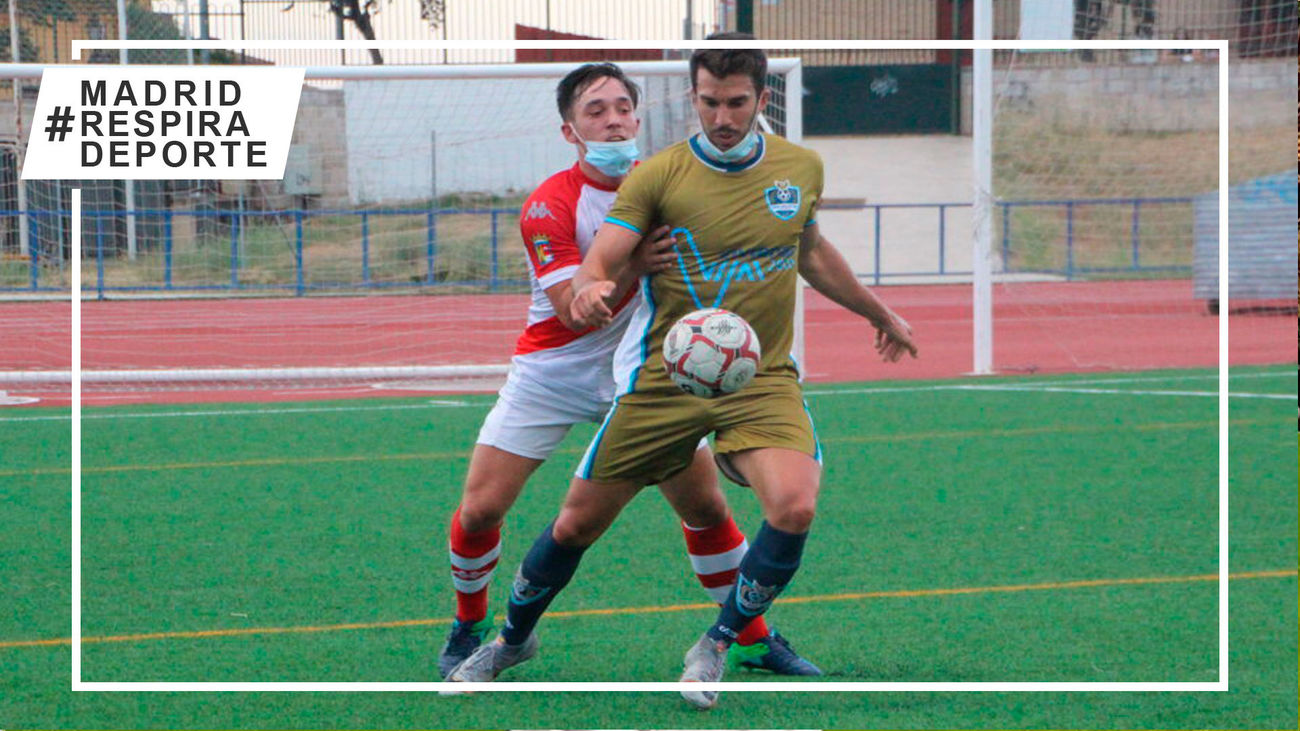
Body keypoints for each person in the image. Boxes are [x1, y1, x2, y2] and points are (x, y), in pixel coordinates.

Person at [444, 40, 917, 708]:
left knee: (746, 507)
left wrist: (879, 312)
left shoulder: (797, 169)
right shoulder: (617, 188)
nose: (722, 117)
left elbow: (810, 251)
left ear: (761, 100)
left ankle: (733, 641)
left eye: (737, 102)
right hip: (583, 371)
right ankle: (494, 633)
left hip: (730, 374)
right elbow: (584, 288)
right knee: (532, 517)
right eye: (709, 102)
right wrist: (603, 280)